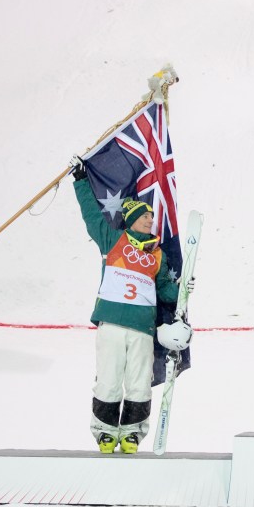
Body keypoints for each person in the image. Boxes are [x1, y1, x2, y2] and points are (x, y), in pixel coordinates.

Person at [72, 162, 182, 454]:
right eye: (145, 216)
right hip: (111, 322)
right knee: (108, 381)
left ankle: (132, 433)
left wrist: (182, 289)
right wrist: (80, 181)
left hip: (142, 327)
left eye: (151, 217)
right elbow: (91, 215)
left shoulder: (157, 255)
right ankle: (105, 432)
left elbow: (166, 293)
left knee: (138, 383)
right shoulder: (113, 240)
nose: (150, 220)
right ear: (132, 219)